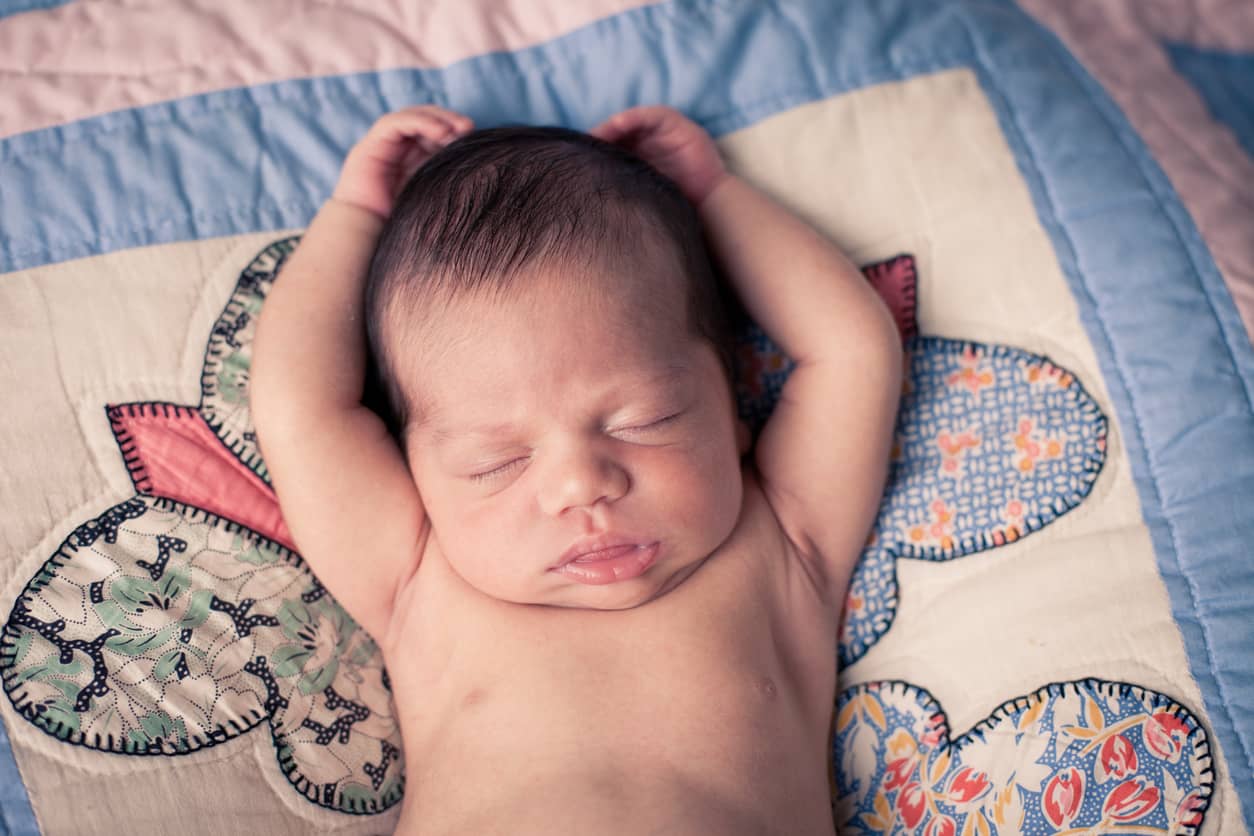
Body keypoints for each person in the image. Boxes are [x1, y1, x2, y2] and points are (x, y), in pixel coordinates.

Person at [251, 103, 901, 835]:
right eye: (495, 462)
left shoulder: (785, 540)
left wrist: (714, 194)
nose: (580, 486)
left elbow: (851, 351)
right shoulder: (416, 578)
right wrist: (355, 214)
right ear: (417, 473)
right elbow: (297, 406)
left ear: (733, 405)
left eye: (644, 422)